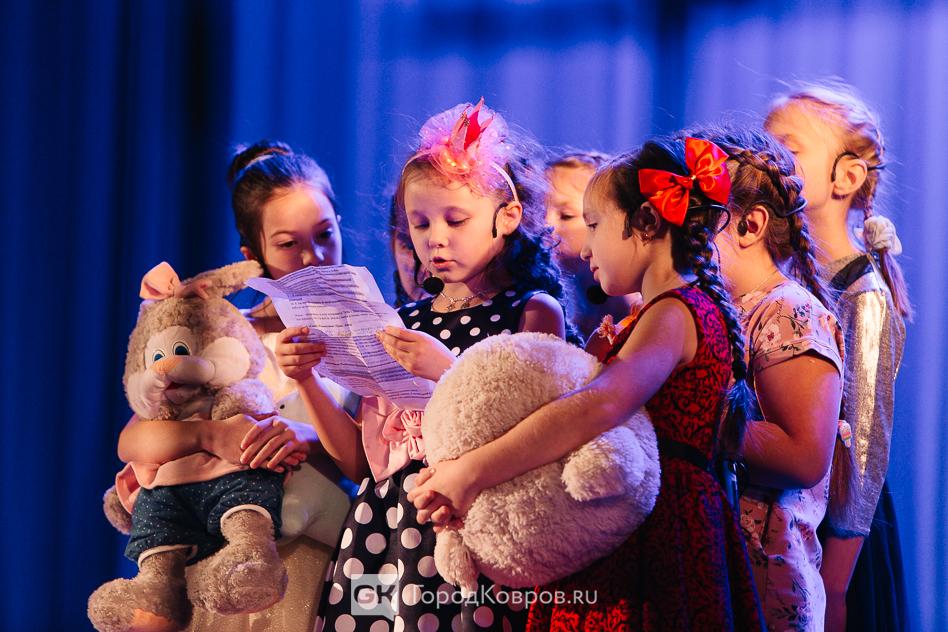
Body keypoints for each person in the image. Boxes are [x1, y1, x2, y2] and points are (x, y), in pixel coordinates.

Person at [409, 135, 765, 631]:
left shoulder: (674, 312)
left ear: (645, 223)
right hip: (640, 519)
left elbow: (598, 406)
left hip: (657, 536)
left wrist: (471, 472)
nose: (585, 245)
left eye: (594, 225)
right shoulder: (667, 312)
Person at [276, 99, 566, 631]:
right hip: (381, 533)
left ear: (507, 217)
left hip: (468, 527)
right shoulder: (402, 320)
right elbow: (361, 465)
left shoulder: (532, 312)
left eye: (456, 220)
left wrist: (446, 371)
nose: (436, 238)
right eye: (420, 222)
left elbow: (537, 438)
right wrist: (307, 379)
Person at [119, 140, 354, 632]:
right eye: (288, 244)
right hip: (217, 559)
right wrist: (212, 435)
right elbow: (135, 439)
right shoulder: (225, 337)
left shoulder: (365, 338)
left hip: (314, 562)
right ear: (253, 254)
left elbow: (376, 459)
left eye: (325, 235)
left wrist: (308, 438)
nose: (313, 257)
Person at [766, 81, 910, 632]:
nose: (766, 161)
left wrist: (835, 582)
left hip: (838, 536)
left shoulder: (862, 295)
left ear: (845, 177)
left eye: (787, 149)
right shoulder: (779, 279)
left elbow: (866, 448)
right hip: (788, 509)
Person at [695, 125, 845, 630]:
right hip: (710, 571)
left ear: (749, 224)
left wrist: (684, 414)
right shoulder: (709, 308)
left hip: (763, 585)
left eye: (694, 221)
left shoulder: (788, 312)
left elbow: (804, 456)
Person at [545, 151, 639, 339]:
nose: (547, 224)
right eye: (539, 212)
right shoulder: (547, 281)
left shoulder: (629, 289)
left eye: (566, 215)